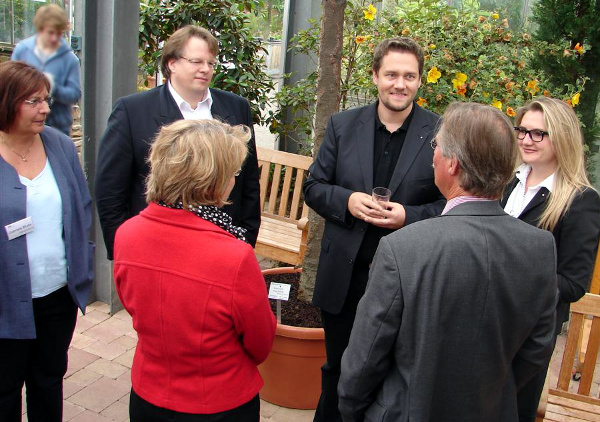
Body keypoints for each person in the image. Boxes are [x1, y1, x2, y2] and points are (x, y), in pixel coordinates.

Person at [338, 102, 557, 422]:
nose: (432, 155)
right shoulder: (540, 248)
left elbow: (363, 361)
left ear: (452, 164)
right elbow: (536, 351)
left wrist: (353, 411)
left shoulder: (403, 249)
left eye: (436, 145)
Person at [303, 37, 445, 422]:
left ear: (420, 81)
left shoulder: (440, 133)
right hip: (344, 279)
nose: (400, 84)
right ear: (375, 76)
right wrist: (347, 201)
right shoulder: (343, 125)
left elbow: (451, 204)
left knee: (391, 378)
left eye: (410, 76)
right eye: (392, 74)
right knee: (337, 370)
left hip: (405, 283)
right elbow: (313, 187)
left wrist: (409, 217)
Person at [113, 119, 276, 422]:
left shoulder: (126, 233)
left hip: (149, 395)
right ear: (214, 179)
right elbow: (260, 341)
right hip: (218, 402)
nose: (235, 180)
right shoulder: (233, 255)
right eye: (233, 172)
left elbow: (133, 305)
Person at [95, 25, 260, 260]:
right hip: (157, 249)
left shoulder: (236, 107)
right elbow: (110, 190)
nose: (205, 69)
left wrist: (246, 239)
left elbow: (249, 180)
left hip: (222, 246)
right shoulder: (132, 111)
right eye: (196, 61)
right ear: (172, 63)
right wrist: (123, 252)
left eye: (211, 63)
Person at [0, 61, 93, 421]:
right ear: (7, 102)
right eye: (33, 101)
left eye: (46, 99)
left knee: (49, 380)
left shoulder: (58, 144)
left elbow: (80, 204)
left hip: (56, 294)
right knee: (5, 387)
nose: (45, 109)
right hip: (6, 297)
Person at [500, 97, 600, 422]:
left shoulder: (580, 200)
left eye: (539, 133)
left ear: (562, 137)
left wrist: (508, 271)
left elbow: (573, 284)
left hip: (526, 336)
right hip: (484, 319)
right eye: (522, 131)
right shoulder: (506, 182)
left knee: (510, 411)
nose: (527, 140)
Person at [11, 4, 81, 136]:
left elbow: (75, 94)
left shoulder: (70, 59)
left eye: (59, 33)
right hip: (24, 122)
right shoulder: (22, 50)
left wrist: (54, 87)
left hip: (57, 125)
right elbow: (10, 86)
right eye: (50, 32)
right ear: (40, 28)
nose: (55, 38)